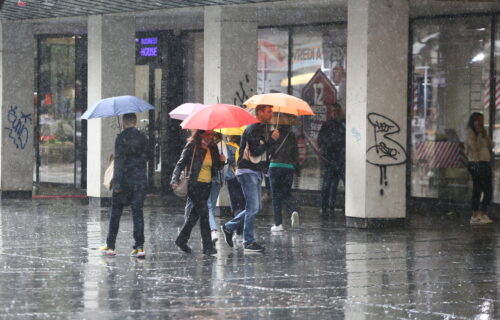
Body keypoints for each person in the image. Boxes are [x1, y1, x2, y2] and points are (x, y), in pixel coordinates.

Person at [221, 104, 279, 253]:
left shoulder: (261, 129)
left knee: (255, 207)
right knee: (252, 207)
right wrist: (270, 141)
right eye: (268, 111)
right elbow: (255, 151)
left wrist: (272, 141)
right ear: (259, 112)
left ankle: (229, 227)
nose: (271, 114)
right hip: (248, 171)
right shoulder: (253, 128)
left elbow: (264, 152)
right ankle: (248, 241)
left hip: (256, 171)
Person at [100, 113, 149, 258]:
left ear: (124, 121)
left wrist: (117, 184)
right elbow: (147, 157)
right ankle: (139, 247)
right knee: (138, 214)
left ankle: (111, 246)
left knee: (115, 214)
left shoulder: (121, 138)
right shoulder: (143, 137)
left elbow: (119, 162)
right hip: (139, 181)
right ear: (135, 121)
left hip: (124, 182)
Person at [171, 130, 226, 255]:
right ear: (200, 134)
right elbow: (180, 164)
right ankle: (207, 247)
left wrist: (222, 161)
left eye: (212, 135)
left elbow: (216, 167)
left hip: (206, 185)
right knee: (205, 213)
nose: (211, 137)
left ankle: (181, 239)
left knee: (194, 215)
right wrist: (174, 179)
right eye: (208, 134)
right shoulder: (192, 146)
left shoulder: (213, 148)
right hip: (194, 184)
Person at [269, 125, 299, 232]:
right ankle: (293, 210)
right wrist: (297, 169)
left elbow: (269, 151)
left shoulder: (273, 134)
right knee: (286, 193)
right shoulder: (292, 136)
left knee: (276, 196)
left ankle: (278, 224)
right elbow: (295, 154)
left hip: (275, 166)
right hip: (288, 167)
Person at [464, 112, 494, 225]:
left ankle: (483, 212)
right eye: (479, 120)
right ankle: (475, 214)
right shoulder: (470, 133)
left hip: (485, 162)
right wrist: (479, 135)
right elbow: (474, 147)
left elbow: (491, 145)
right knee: (478, 188)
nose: (481, 123)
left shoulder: (483, 132)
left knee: (488, 190)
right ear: (474, 121)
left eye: (482, 120)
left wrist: (484, 135)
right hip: (475, 163)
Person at [317, 103, 346, 215]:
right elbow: (321, 141)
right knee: (328, 184)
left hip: (339, 160)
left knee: (332, 184)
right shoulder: (329, 125)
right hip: (331, 160)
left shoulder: (341, 124)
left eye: (336, 111)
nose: (334, 113)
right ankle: (325, 207)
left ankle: (329, 206)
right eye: (333, 111)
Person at [225, 135, 245, 242]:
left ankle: (238, 232)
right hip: (243, 178)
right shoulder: (243, 146)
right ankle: (241, 231)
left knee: (236, 205)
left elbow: (225, 162)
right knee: (243, 204)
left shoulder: (227, 147)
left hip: (231, 178)